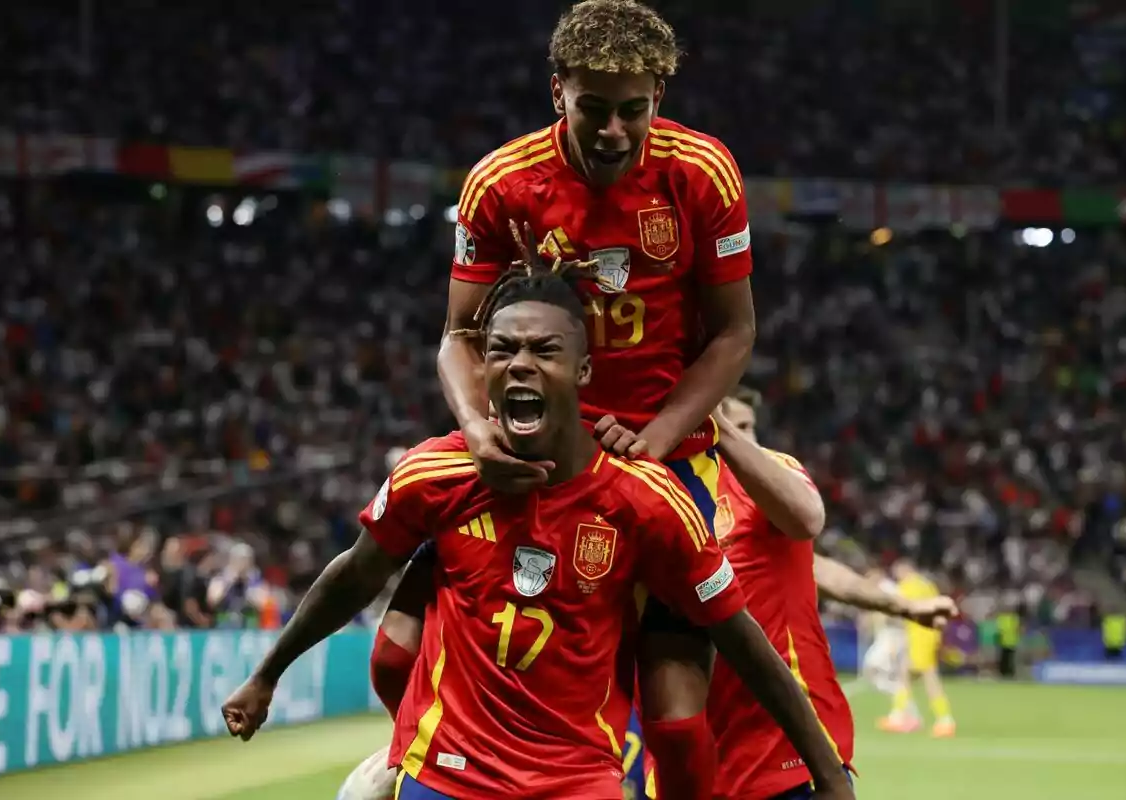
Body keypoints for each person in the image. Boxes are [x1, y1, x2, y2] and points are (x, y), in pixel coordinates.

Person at [223, 264, 853, 800]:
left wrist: (829, 775)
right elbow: (355, 573)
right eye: (503, 350)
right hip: (447, 777)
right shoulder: (435, 473)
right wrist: (266, 674)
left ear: (583, 371)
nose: (520, 365)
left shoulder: (646, 500)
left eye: (544, 350)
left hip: (574, 782)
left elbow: (741, 640)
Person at [373, 2, 758, 796]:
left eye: (634, 110)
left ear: (658, 95)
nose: (615, 129)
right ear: (559, 93)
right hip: (524, 453)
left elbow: (733, 334)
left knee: (680, 726)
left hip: (659, 458)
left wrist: (656, 438)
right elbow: (458, 335)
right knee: (394, 656)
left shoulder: (703, 173)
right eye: (594, 108)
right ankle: (416, 764)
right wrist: (479, 433)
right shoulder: (502, 181)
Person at [606, 387, 955, 799]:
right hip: (686, 759)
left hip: (788, 755)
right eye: (735, 423)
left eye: (748, 426)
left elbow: (810, 534)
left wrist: (905, 606)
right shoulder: (638, 486)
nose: (744, 434)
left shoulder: (770, 476)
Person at [878, 559, 957, 737]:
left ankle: (945, 719)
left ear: (905, 569)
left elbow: (900, 608)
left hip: (919, 635)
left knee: (929, 677)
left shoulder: (908, 585)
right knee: (905, 675)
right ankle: (898, 716)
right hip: (930, 634)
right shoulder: (927, 585)